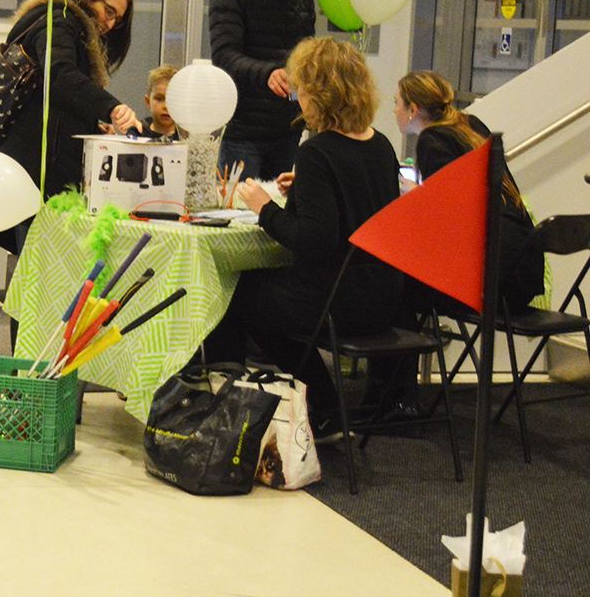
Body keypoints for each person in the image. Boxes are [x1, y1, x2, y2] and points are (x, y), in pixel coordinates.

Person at [200, 38, 402, 437]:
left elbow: (313, 241)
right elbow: (358, 207)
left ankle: (232, 414)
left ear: (319, 92)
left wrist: (264, 208)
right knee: (264, 303)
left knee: (229, 293)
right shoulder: (381, 146)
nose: (297, 99)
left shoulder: (317, 152)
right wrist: (306, 190)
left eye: (301, 90)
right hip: (384, 295)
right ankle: (323, 405)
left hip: (334, 301)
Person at [361, 71, 546, 418]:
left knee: (393, 283)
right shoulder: (469, 124)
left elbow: (447, 220)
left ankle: (397, 398)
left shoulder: (431, 142)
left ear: (414, 109)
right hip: (522, 268)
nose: (395, 112)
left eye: (398, 104)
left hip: (492, 281)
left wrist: (403, 192)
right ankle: (392, 394)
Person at [0, 0, 142, 255]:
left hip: (40, 165)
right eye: (108, 10)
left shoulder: (69, 30)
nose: (108, 23)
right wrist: (112, 107)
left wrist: (94, 127)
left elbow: (58, 103)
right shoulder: (59, 22)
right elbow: (58, 78)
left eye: (116, 19)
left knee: (38, 267)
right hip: (36, 168)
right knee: (35, 267)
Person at [208, 0, 316, 181]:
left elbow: (307, 62)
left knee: (277, 217)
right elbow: (224, 56)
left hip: (289, 130)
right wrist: (266, 73)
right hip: (243, 130)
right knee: (240, 218)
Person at [140, 65, 219, 211]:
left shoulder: (191, 140)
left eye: (172, 100)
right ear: (147, 101)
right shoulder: (136, 133)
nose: (166, 106)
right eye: (159, 99)